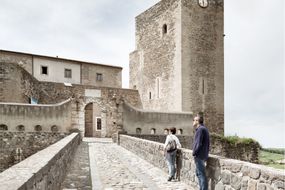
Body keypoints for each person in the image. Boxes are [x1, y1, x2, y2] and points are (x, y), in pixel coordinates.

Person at [192, 115, 210, 190]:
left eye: (194, 120)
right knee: (199, 173)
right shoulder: (203, 128)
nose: (193, 121)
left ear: (197, 121)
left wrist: (194, 152)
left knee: (201, 174)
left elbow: (198, 143)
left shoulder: (200, 129)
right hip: (203, 154)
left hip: (199, 155)